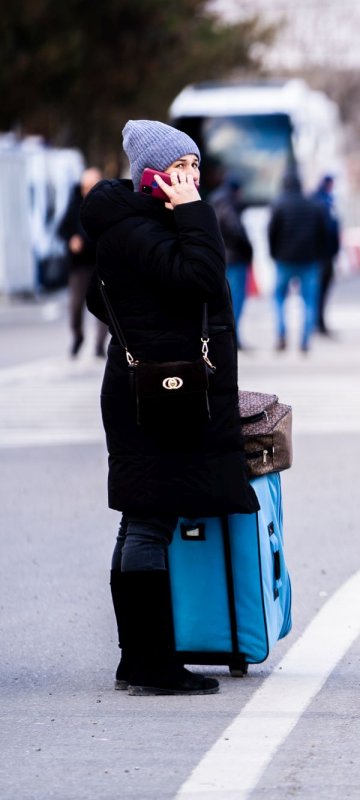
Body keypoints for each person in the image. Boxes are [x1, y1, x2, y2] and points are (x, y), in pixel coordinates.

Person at [81, 120, 259, 695]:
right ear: (151, 174)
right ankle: (152, 663)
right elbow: (202, 278)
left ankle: (138, 659)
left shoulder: (136, 225)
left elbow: (103, 301)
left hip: (154, 385)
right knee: (150, 520)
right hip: (157, 394)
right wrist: (195, 215)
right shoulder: (138, 228)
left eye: (195, 169)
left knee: (142, 516)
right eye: (179, 170)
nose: (191, 180)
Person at [268, 171, 327, 354]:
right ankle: (304, 341)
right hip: (309, 260)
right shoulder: (313, 205)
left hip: (284, 260)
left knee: (278, 298)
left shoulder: (279, 205)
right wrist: (318, 254)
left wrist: (274, 254)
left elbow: (271, 233)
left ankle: (281, 334)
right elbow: (322, 233)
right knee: (309, 301)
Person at [58, 166, 107, 358]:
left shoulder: (108, 205)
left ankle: (99, 345)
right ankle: (78, 336)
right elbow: (62, 229)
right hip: (80, 266)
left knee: (104, 307)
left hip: (102, 263)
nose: (88, 191)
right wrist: (71, 239)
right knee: (76, 306)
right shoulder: (75, 204)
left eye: (92, 186)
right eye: (85, 187)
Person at [208, 177, 253, 348]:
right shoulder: (227, 202)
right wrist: (248, 249)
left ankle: (229, 337)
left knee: (226, 300)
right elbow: (235, 229)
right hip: (234, 258)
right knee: (236, 299)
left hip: (221, 258)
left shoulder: (215, 200)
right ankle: (232, 338)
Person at [310, 174, 341, 337]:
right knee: (319, 291)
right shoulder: (323, 203)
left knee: (318, 291)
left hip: (321, 255)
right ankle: (317, 323)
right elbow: (329, 230)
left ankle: (317, 322)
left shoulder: (319, 201)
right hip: (323, 255)